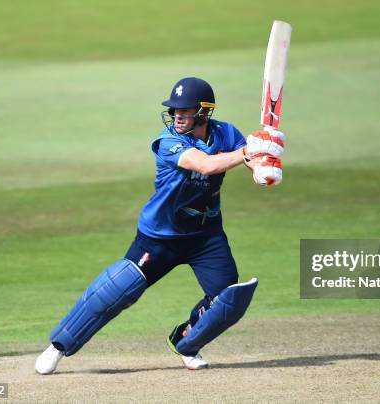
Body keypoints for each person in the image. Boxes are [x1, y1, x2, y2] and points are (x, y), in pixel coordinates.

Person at [35, 77, 285, 374]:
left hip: (205, 236)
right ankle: (58, 346)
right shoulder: (168, 141)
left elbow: (248, 158)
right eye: (174, 109)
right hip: (160, 236)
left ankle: (186, 342)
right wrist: (248, 153)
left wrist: (264, 165)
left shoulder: (225, 132)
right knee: (115, 292)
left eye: (185, 110)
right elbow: (207, 165)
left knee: (228, 298)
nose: (177, 115)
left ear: (204, 112)